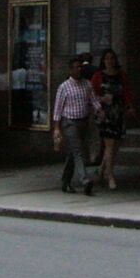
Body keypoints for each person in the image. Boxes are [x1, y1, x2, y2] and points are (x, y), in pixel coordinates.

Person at [52, 56, 99, 196]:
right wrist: (56, 127)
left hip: (83, 121)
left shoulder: (87, 84)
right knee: (78, 151)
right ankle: (85, 180)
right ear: (70, 69)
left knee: (73, 152)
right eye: (76, 67)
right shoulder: (64, 87)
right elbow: (58, 108)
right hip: (69, 122)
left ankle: (65, 181)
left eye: (80, 67)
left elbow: (93, 100)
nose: (79, 69)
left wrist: (99, 110)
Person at [93, 48, 130, 190]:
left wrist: (129, 106)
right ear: (103, 60)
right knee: (109, 143)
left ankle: (102, 169)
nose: (109, 61)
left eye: (112, 58)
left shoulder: (121, 75)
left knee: (116, 145)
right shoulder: (98, 76)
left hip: (118, 111)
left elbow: (126, 92)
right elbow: (92, 94)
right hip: (105, 112)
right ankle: (111, 175)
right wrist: (100, 102)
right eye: (107, 58)